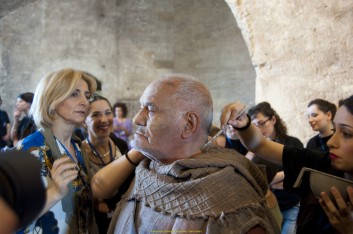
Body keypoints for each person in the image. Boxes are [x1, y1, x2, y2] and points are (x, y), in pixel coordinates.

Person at [94, 74, 279, 234]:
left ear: (189, 124)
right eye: (141, 107)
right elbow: (99, 187)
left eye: (150, 110)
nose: (137, 119)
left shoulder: (230, 194)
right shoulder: (147, 168)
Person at [220, 97, 353, 234]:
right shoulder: (321, 163)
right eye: (335, 129)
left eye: (347, 134)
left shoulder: (295, 143)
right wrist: (243, 122)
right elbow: (260, 145)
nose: (331, 142)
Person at [15, 68, 98, 233]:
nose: (85, 102)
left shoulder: (78, 147)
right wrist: (54, 192)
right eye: (74, 94)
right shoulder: (30, 149)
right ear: (52, 100)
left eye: (87, 95)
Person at [247, 102, 303, 234]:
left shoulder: (293, 143)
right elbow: (250, 177)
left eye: (262, 123)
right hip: (267, 206)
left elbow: (300, 172)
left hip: (291, 204)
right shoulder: (255, 147)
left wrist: (270, 180)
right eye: (255, 125)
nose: (259, 129)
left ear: (273, 119)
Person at [81, 94, 132, 234]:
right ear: (83, 121)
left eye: (108, 113)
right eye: (95, 115)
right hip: (95, 223)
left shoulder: (121, 145)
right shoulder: (79, 153)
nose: (104, 120)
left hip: (123, 219)